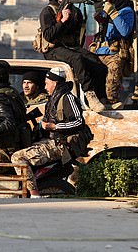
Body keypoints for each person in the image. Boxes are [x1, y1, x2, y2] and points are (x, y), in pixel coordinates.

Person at [11, 67, 93, 198]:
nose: (45, 86)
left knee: (18, 157)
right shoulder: (53, 98)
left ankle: (34, 194)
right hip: (51, 141)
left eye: (47, 83)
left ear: (54, 83)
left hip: (60, 144)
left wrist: (54, 126)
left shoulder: (67, 98)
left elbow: (79, 122)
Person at [40, 0, 107, 112]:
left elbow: (78, 36)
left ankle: (102, 98)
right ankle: (90, 95)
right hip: (53, 49)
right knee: (77, 59)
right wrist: (62, 21)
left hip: (71, 47)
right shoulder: (48, 11)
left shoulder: (76, 12)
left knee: (98, 64)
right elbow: (48, 35)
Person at [93, 0, 135, 111]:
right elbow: (101, 21)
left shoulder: (126, 10)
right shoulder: (108, 5)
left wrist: (113, 13)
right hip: (100, 50)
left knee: (112, 77)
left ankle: (111, 100)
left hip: (115, 52)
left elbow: (125, 31)